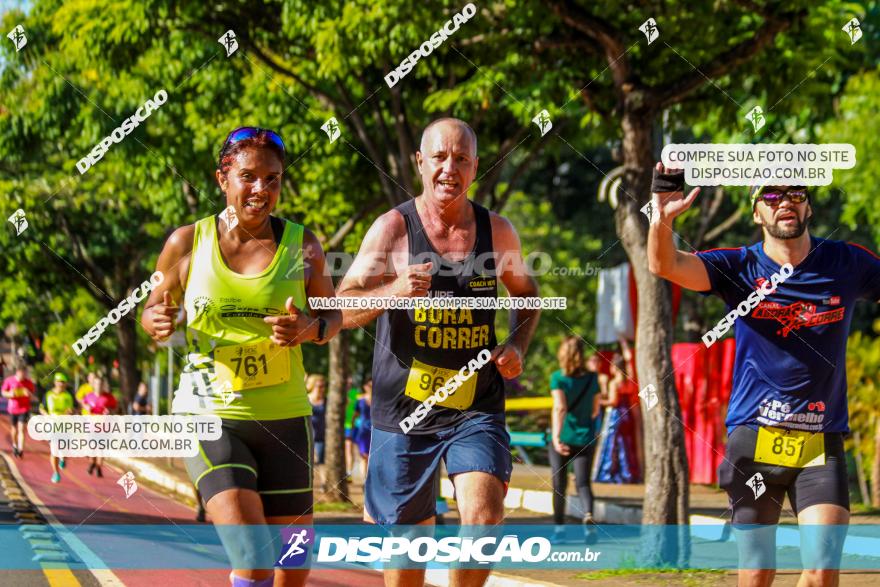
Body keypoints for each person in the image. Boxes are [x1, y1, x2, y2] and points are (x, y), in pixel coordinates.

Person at [648, 164, 880, 586]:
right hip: (755, 439)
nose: (785, 201)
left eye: (795, 193)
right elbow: (664, 264)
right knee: (757, 573)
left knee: (823, 571)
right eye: (771, 196)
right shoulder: (739, 267)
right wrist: (660, 217)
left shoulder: (845, 262)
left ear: (808, 205)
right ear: (757, 214)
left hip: (818, 442)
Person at [337, 118, 540, 587]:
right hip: (403, 412)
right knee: (409, 558)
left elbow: (527, 297)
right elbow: (340, 308)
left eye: (462, 159)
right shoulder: (392, 229)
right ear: (420, 163)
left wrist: (516, 343)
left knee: (484, 518)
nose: (450, 167)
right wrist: (393, 289)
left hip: (474, 405)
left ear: (475, 168)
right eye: (440, 157)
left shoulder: (499, 232)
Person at [141, 126, 342, 587]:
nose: (261, 190)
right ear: (222, 179)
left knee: (292, 561)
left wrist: (308, 328)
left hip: (286, 416)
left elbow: (332, 320)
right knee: (252, 554)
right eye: (248, 177)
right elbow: (152, 306)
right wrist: (153, 320)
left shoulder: (302, 245)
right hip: (209, 414)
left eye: (272, 180)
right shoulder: (187, 242)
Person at [548, 336, 601, 543]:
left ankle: (560, 532)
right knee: (583, 483)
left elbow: (560, 407)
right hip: (585, 437)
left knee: (559, 486)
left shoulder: (558, 378)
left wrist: (555, 436)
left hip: (564, 437)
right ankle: (588, 517)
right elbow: (596, 409)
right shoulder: (592, 378)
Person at [39, 373, 74, 483]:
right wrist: (46, 415)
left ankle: (63, 458)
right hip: (52, 426)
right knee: (54, 449)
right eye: (59, 381)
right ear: (55, 382)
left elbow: (72, 410)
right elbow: (42, 408)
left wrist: (69, 412)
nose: (61, 384)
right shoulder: (48, 395)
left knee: (64, 449)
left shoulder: (68, 396)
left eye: (63, 382)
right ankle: (56, 473)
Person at [83, 378, 118, 477]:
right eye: (97, 384)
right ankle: (92, 463)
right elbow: (84, 403)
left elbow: (115, 408)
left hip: (104, 426)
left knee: (101, 448)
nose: (98, 386)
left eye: (101, 384)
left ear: (103, 385)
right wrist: (86, 407)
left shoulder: (109, 397)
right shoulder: (89, 396)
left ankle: (98, 467)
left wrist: (110, 411)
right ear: (93, 385)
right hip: (92, 425)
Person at [2, 365, 36, 459]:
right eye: (21, 373)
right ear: (17, 373)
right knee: (14, 429)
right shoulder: (9, 380)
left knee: (22, 429)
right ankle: (15, 445)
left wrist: (29, 394)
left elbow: (33, 396)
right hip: (13, 408)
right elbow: (3, 392)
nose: (23, 375)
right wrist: (10, 394)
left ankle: (21, 449)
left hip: (24, 409)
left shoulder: (28, 383)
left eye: (24, 373)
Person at [306, 374, 327, 488]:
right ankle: (309, 481)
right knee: (309, 460)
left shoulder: (326, 400)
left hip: (321, 435)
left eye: (323, 386)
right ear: (313, 386)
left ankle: (324, 484)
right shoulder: (307, 398)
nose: (321, 388)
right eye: (319, 386)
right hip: (308, 434)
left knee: (321, 461)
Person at [350, 379, 372, 481]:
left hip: (374, 431)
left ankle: (370, 478)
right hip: (362, 431)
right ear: (365, 386)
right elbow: (355, 415)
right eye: (368, 385)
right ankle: (365, 480)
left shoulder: (379, 401)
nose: (370, 387)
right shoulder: (360, 401)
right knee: (364, 455)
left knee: (372, 456)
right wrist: (352, 428)